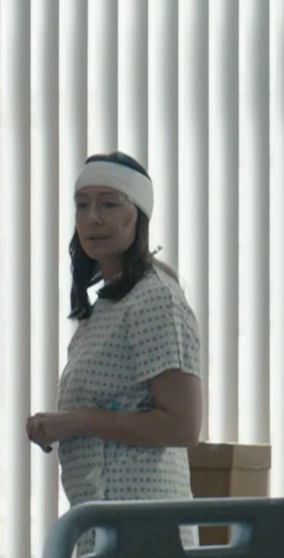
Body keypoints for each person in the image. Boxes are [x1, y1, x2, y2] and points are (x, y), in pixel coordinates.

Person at [28, 152, 205, 508]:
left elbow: (183, 426)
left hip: (143, 519)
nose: (93, 217)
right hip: (103, 516)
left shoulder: (155, 298)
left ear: (138, 215)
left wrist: (77, 421)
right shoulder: (109, 303)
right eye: (82, 205)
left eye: (109, 204)